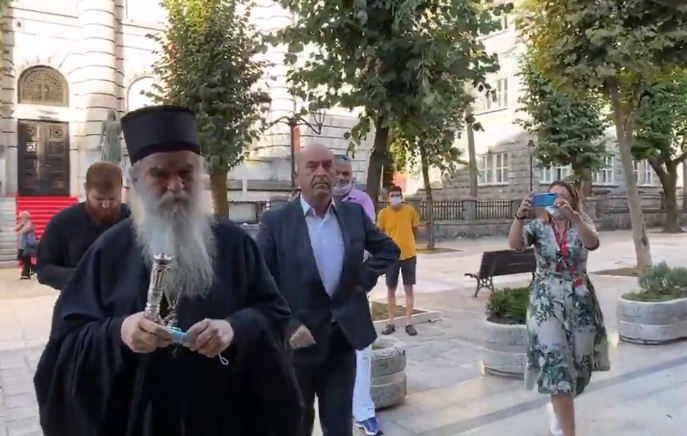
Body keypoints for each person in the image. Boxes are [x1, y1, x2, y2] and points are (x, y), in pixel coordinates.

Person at [34, 105, 303, 436]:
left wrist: (233, 329)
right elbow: (66, 346)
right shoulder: (109, 250)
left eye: (186, 173)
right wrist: (119, 332)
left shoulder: (234, 243)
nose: (176, 186)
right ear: (136, 181)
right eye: (160, 174)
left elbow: (274, 313)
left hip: (223, 420)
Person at [256, 144, 399, 436]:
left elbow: (389, 249)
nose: (321, 172)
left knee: (339, 426)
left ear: (335, 173)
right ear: (298, 176)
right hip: (298, 344)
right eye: (312, 166)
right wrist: (288, 324)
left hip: (341, 339)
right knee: (296, 424)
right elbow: (259, 281)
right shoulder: (276, 222)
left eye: (327, 166)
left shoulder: (353, 215)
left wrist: (362, 281)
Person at [508, 180, 610, 436]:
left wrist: (573, 217)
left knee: (578, 366)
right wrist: (519, 217)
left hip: (579, 300)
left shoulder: (581, 222)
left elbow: (592, 243)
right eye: (551, 196)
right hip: (546, 301)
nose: (556, 201)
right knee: (557, 367)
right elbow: (516, 244)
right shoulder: (538, 226)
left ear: (573, 200)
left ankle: (559, 410)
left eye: (562, 196)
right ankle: (567, 429)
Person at [333, 155, 380, 435]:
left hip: (352, 287)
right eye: (337, 172)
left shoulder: (361, 201)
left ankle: (363, 411)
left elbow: (369, 243)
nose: (341, 178)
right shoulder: (313, 199)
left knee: (362, 349)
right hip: (317, 289)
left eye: (346, 173)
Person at [36, 161, 131, 291]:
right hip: (79, 298)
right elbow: (44, 269)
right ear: (86, 189)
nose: (106, 205)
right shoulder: (64, 222)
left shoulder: (134, 220)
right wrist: (83, 276)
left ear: (121, 191)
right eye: (99, 199)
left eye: (112, 199)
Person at [378, 185, 419, 336]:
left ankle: (409, 322)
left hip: (409, 255)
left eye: (397, 195)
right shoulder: (383, 214)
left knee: (409, 289)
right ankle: (391, 323)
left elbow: (415, 229)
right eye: (392, 195)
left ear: (402, 197)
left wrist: (408, 242)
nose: (395, 198)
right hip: (391, 257)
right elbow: (380, 234)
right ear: (388, 197)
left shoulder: (410, 211)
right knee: (391, 289)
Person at [15, 211, 37, 279]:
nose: (20, 218)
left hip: (27, 244)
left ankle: (30, 271)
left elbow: (21, 232)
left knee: (25, 257)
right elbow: (15, 229)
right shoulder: (23, 224)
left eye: (21, 217)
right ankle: (31, 271)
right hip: (22, 245)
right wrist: (21, 224)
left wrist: (22, 226)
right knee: (23, 258)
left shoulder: (29, 224)